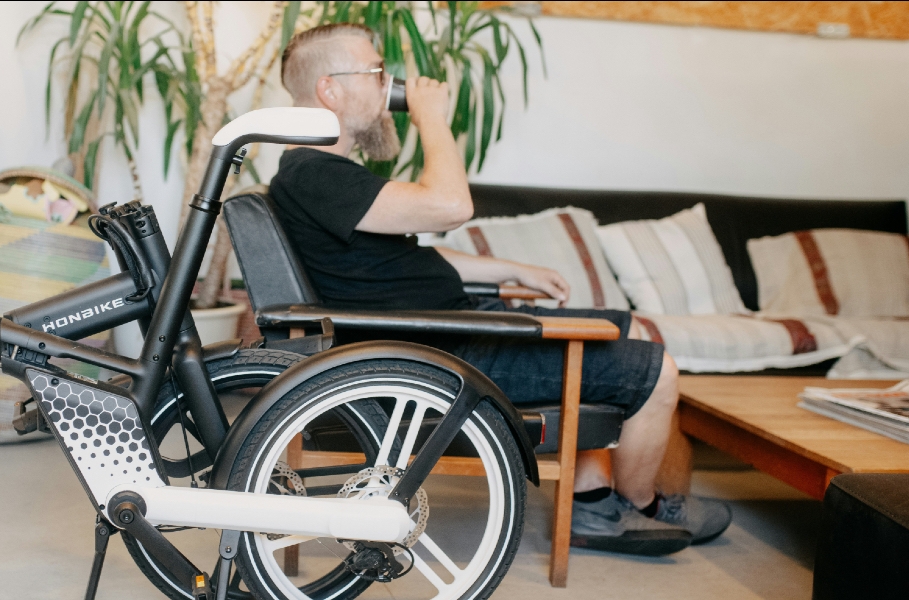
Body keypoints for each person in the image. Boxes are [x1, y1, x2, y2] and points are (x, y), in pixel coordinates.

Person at [267, 23, 731, 556]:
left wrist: (509, 269)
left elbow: (403, 260)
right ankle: (647, 505)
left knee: (621, 325)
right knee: (659, 369)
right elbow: (451, 205)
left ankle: (592, 500)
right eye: (376, 72)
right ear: (330, 88)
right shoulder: (314, 174)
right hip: (445, 353)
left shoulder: (321, 175)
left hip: (450, 332)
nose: (388, 84)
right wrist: (432, 118)